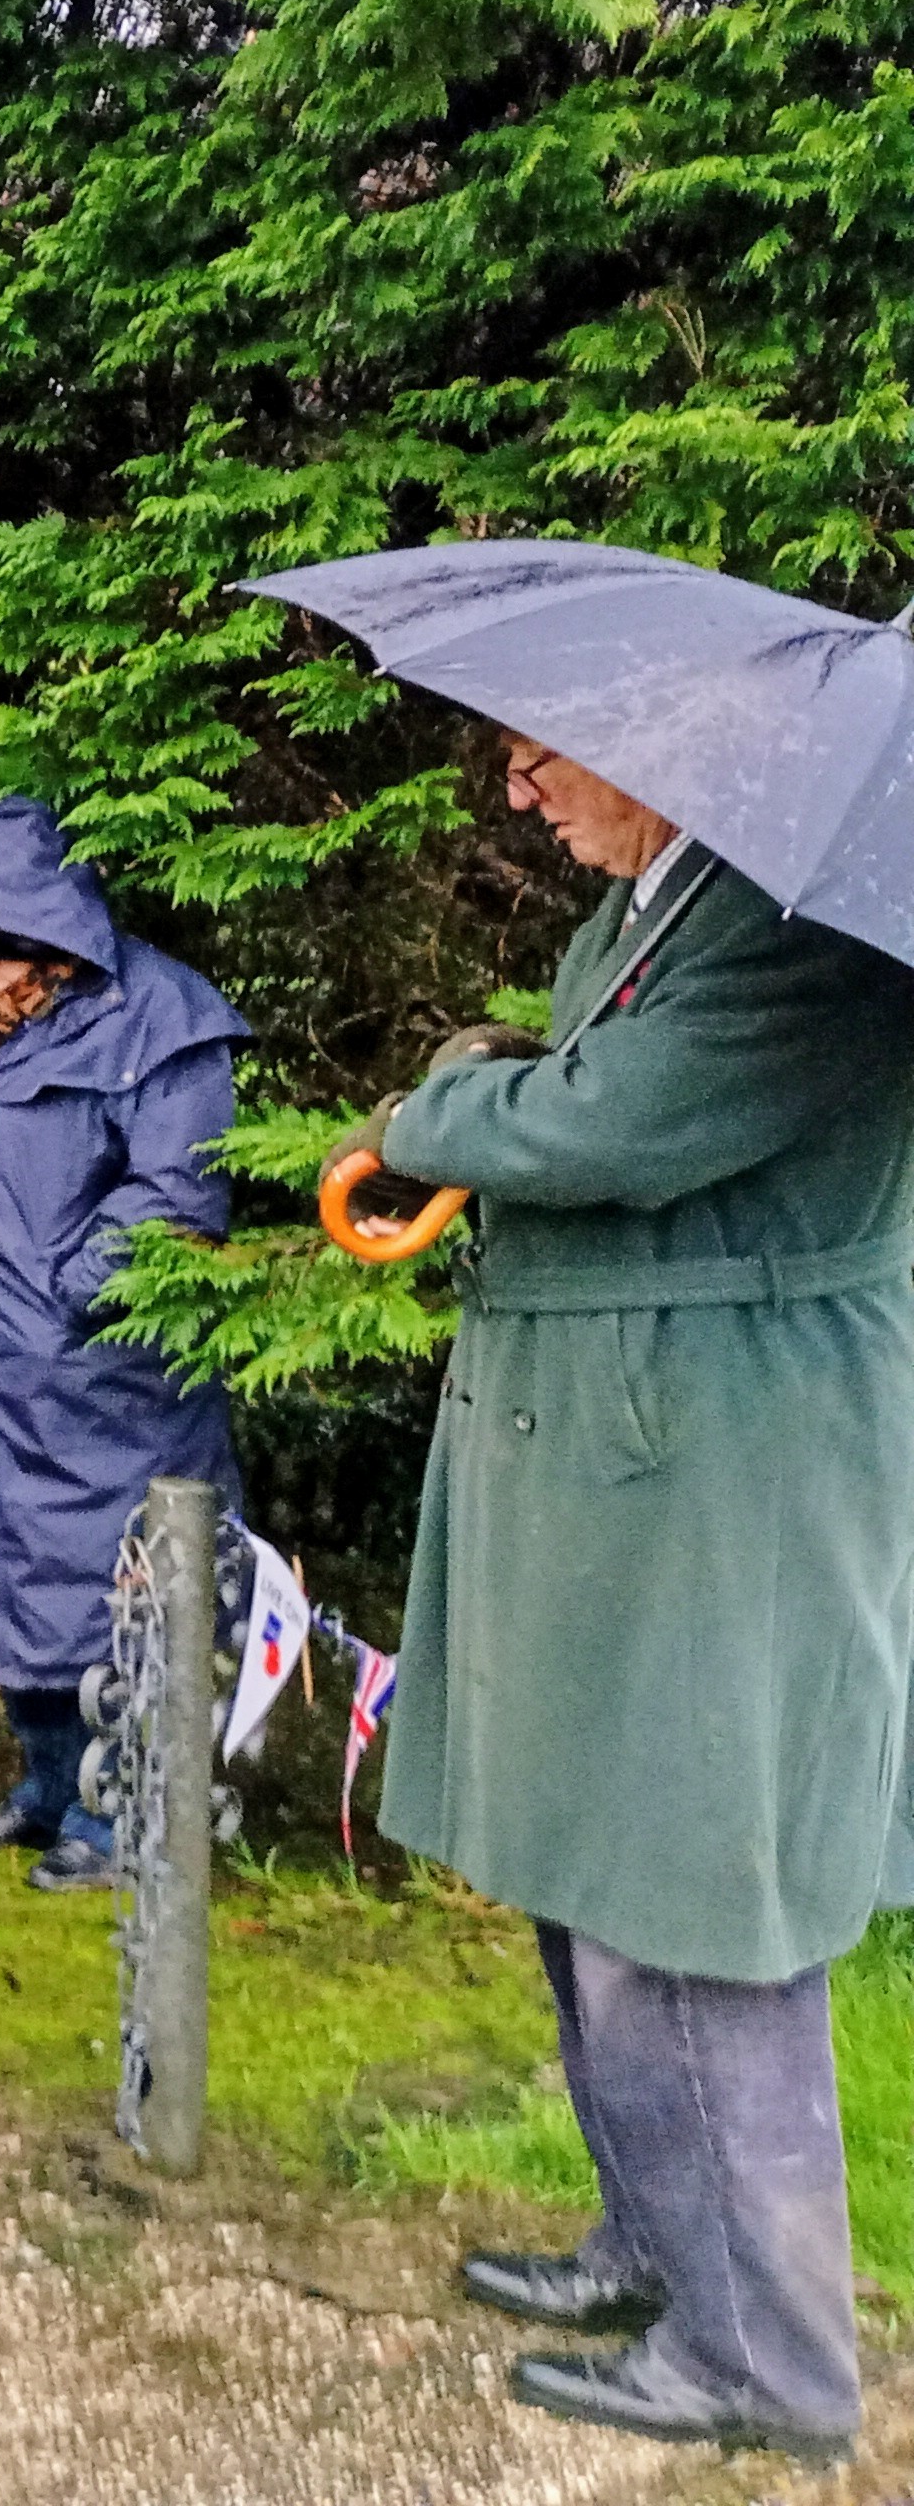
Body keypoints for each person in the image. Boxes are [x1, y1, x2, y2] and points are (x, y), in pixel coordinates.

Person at [349, 737, 914, 2465]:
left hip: (725, 1472)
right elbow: (581, 1070)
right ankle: (665, 2253)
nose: (522, 795)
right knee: (606, 1879)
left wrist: (425, 1117)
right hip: (643, 1466)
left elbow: (613, 1120)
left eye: (545, 762)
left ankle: (769, 2358)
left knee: (691, 1901)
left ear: (667, 762)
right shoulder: (679, 903)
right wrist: (499, 1083)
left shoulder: (805, 944)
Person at [0, 797, 245, 1893]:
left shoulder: (164, 1021)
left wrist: (65, 1304)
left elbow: (175, 1195)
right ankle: (49, 1784)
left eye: (1, 947)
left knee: (117, 1598)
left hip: (105, 1385)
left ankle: (122, 1813)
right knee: (12, 1589)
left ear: (57, 937)